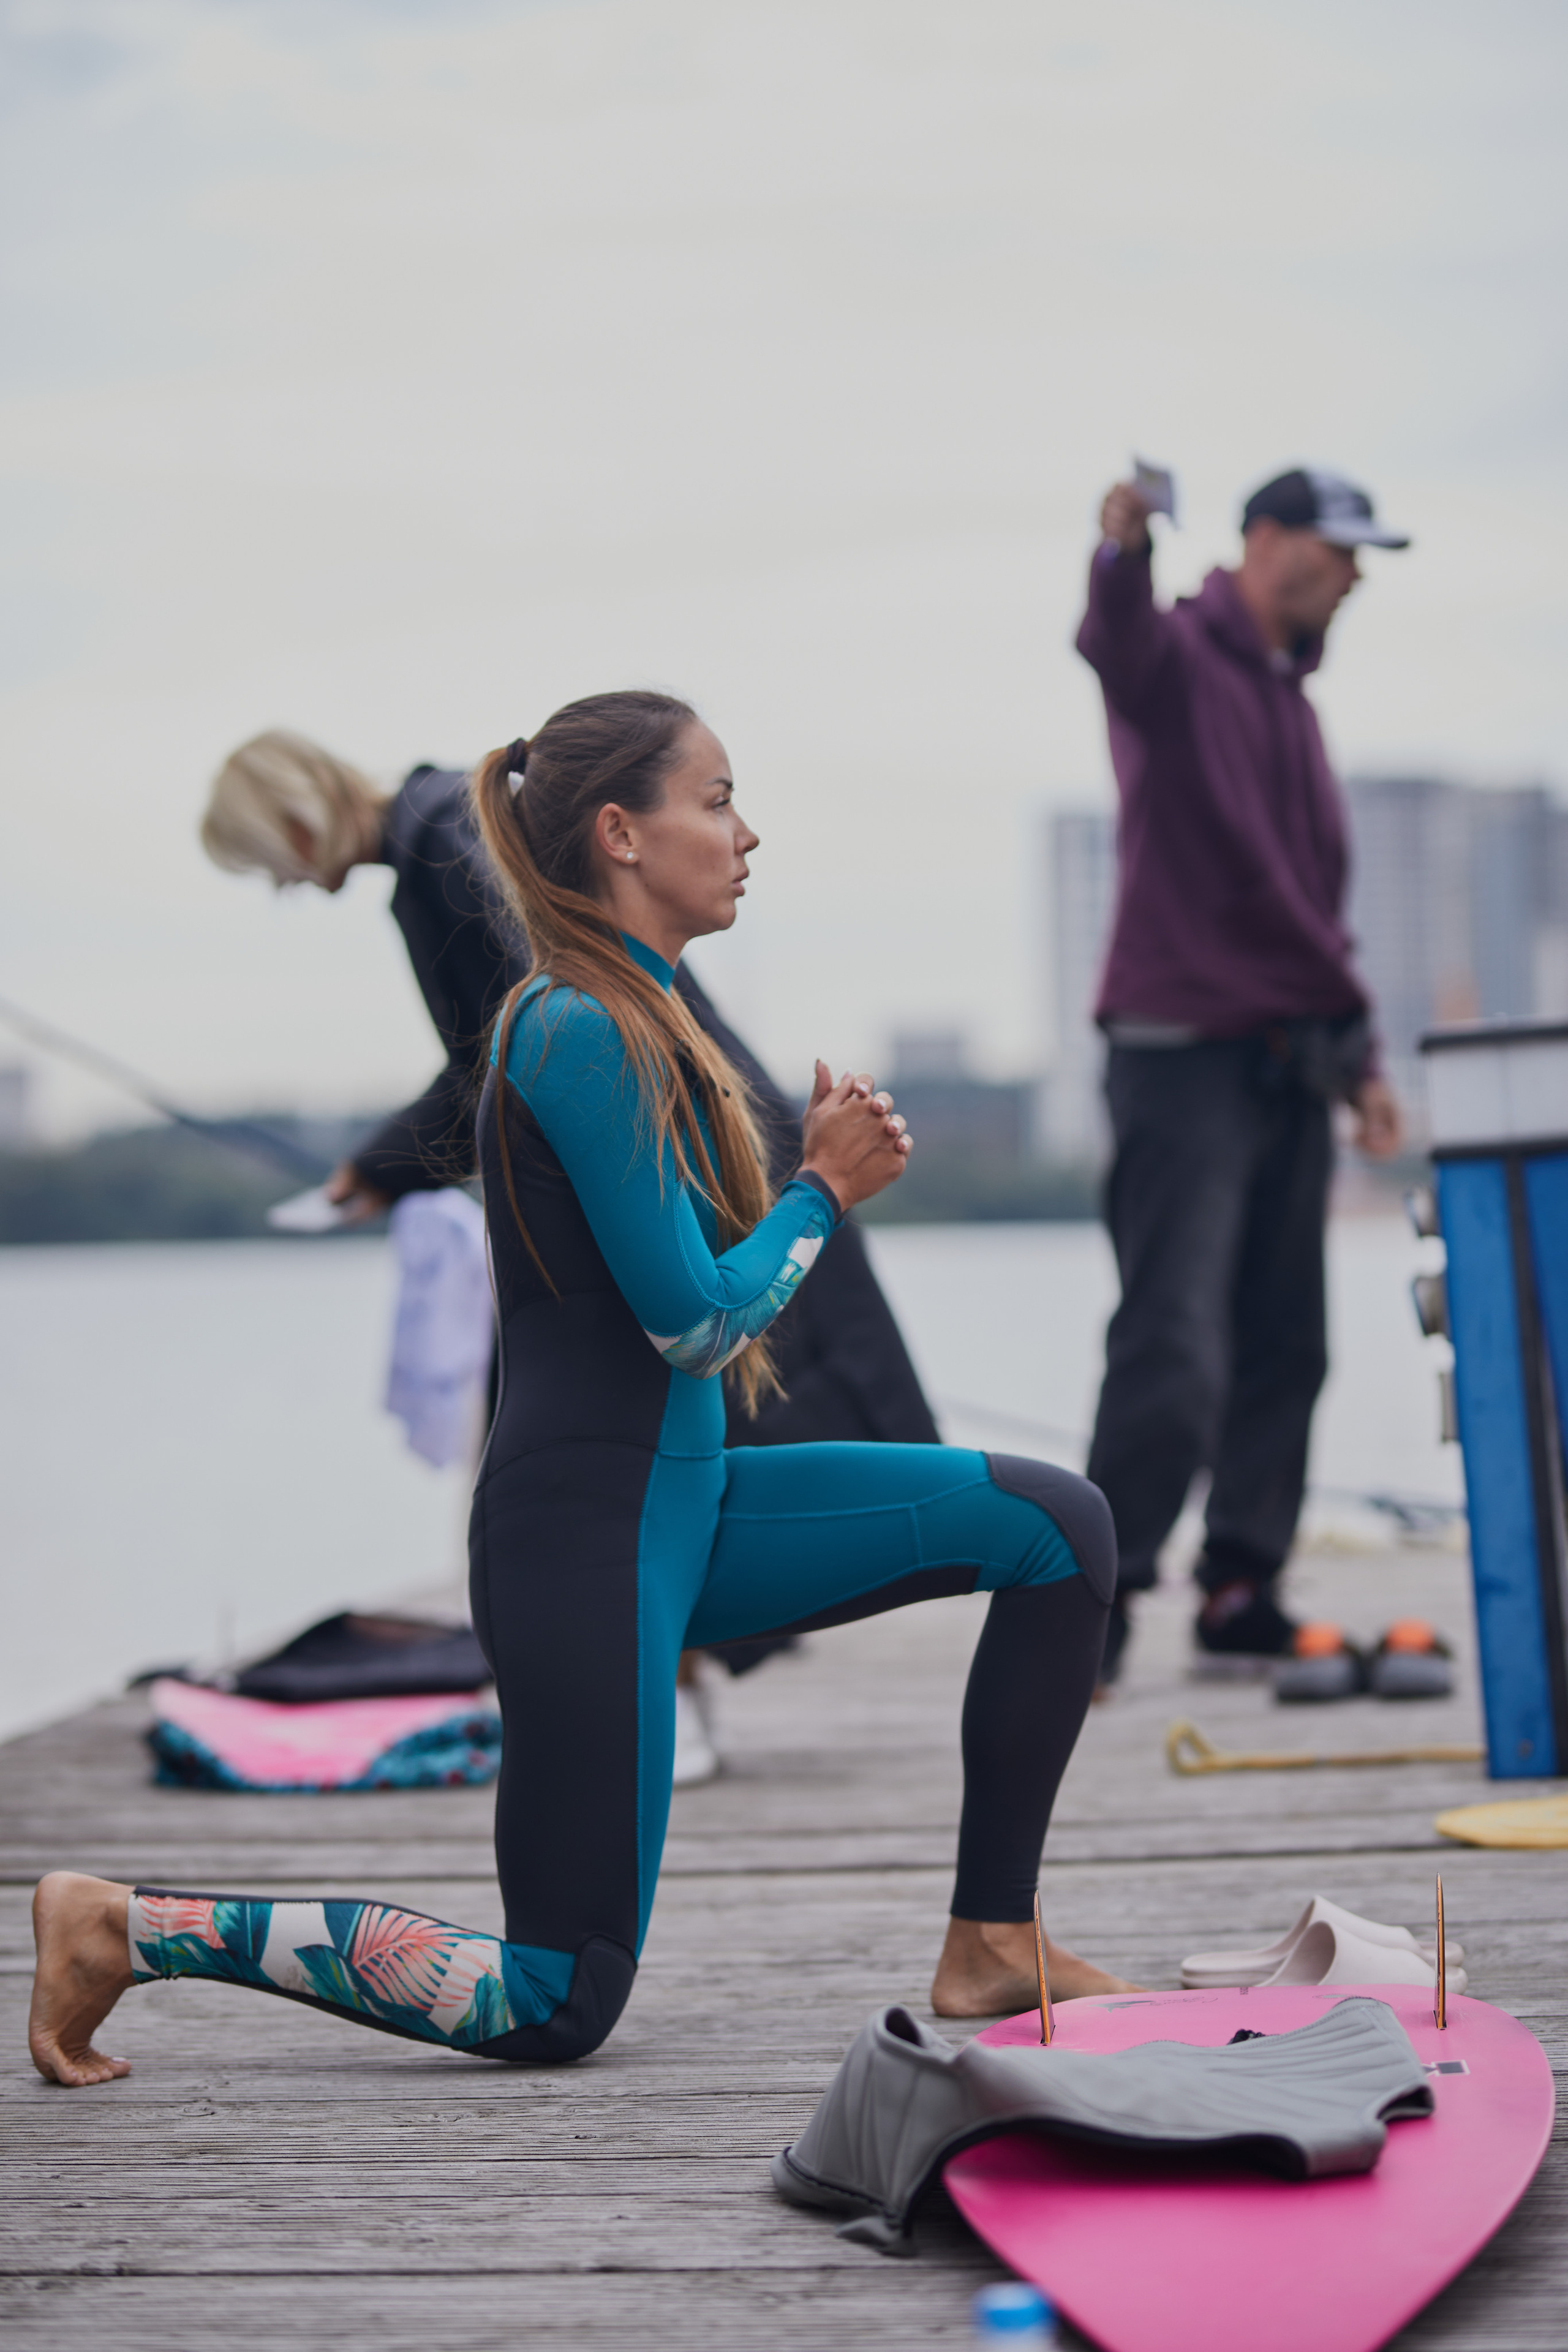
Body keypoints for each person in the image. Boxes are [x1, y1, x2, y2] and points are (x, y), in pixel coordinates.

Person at [31, 688, 1132, 2087]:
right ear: (622, 833)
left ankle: (991, 1940)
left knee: (1059, 1530)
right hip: (588, 1542)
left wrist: (803, 1188)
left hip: (692, 1507)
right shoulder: (569, 1029)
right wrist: (819, 1192)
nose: (746, 834)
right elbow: (689, 1325)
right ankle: (128, 1928)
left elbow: (687, 1311)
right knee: (552, 2001)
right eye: (716, 799)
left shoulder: (641, 1013)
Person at [202, 733, 941, 1772]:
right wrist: (379, 1169)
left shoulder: (436, 857)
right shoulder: (437, 836)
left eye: (269, 871)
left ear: (290, 828)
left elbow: (523, 1049)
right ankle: (661, 1687)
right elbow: (512, 1052)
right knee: (683, 1416)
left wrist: (378, 1168)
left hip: (678, 1142)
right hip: (695, 1120)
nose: (286, 888)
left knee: (634, 1424)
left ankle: (658, 1697)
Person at [1076, 469, 1408, 1683]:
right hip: (1177, 1058)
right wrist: (1118, 551)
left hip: (1285, 1062)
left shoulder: (1285, 700)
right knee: (1171, 1346)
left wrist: (1357, 1063)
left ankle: (1238, 1588)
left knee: (1287, 1343)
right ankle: (1089, 1608)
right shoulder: (1175, 659)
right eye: (1339, 549)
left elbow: (1309, 912)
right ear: (1266, 542)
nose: (1355, 575)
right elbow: (1110, 640)